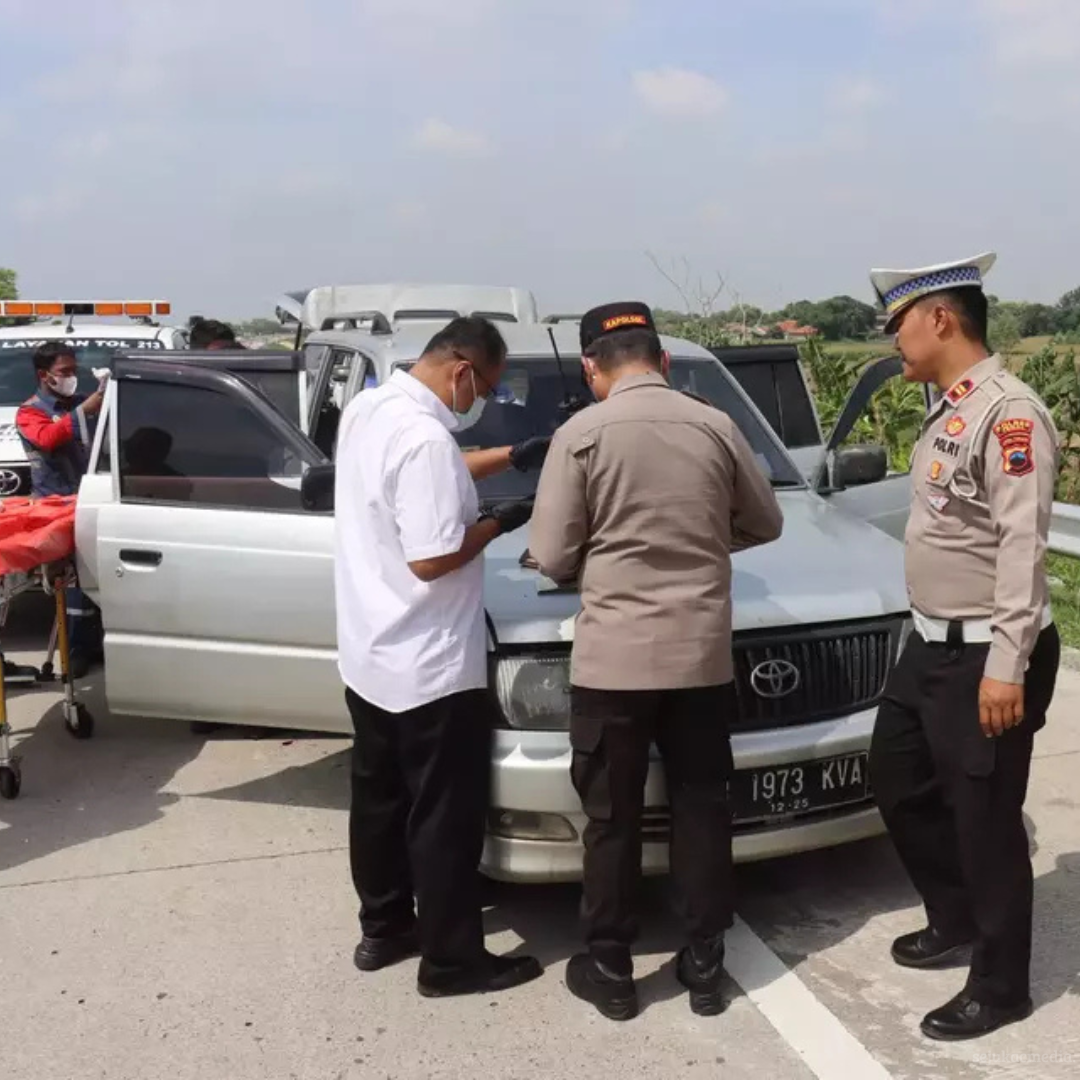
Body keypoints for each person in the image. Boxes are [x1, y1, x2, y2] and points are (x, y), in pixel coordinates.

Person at [528, 302, 784, 1021]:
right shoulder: (714, 425)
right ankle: (705, 966)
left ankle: (610, 968)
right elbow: (766, 521)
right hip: (700, 657)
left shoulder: (579, 435)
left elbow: (550, 553)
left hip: (613, 664)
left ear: (591, 368)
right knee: (703, 807)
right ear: (663, 360)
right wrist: (701, 544)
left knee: (612, 817)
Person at [867, 253, 1061, 1042]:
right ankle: (952, 917)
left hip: (986, 653)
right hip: (929, 646)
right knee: (897, 780)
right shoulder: (947, 406)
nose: (893, 341)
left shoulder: (1008, 415)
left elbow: (1023, 547)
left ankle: (1001, 983)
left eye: (898, 324)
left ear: (939, 318)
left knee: (984, 819)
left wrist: (1006, 667)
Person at [334, 315, 550, 998]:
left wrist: (512, 455)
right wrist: (497, 522)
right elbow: (430, 557)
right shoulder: (426, 437)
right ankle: (453, 960)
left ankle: (386, 926)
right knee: (443, 818)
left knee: (379, 801)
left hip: (370, 653)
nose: (481, 398)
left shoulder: (369, 409)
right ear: (463, 371)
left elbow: (424, 472)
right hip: (429, 664)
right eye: (486, 386)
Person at [16, 342, 106, 678]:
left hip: (90, 500)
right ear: (44, 375)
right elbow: (48, 438)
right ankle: (75, 653)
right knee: (68, 586)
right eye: (64, 372)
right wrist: (86, 411)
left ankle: (97, 645)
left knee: (96, 578)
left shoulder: (83, 402)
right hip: (55, 507)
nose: (71, 377)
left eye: (73, 370)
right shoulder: (30, 411)